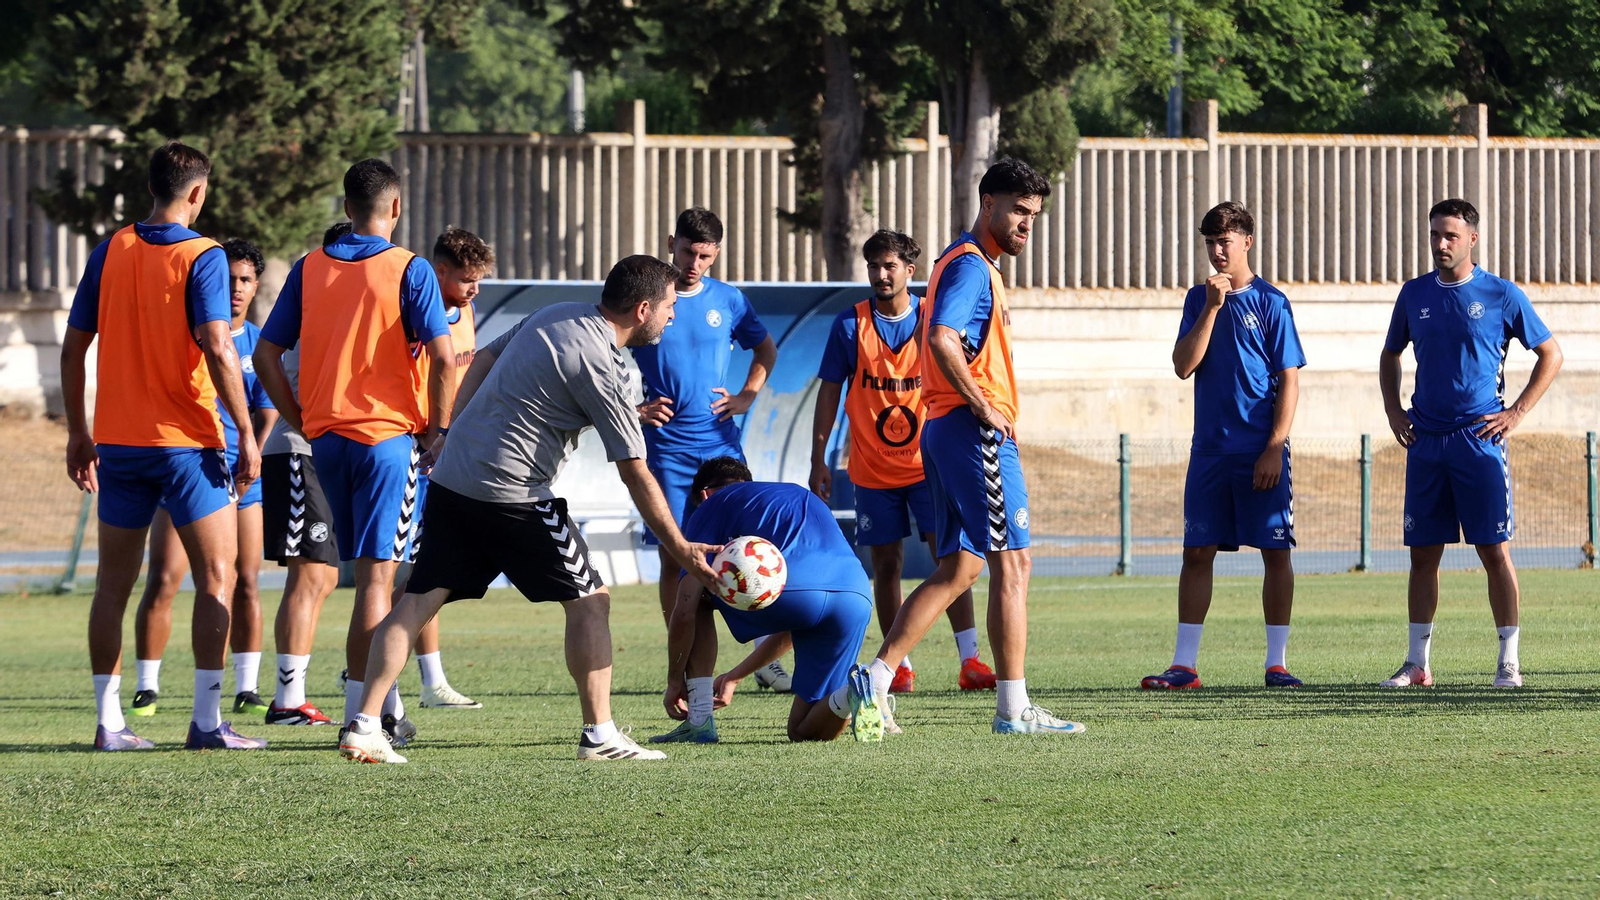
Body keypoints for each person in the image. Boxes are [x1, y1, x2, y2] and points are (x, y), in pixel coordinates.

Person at [337, 255, 720, 764]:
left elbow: (484, 360)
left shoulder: (554, 313)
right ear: (644, 307)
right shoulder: (604, 364)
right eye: (670, 306)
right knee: (591, 601)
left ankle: (363, 724)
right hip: (512, 493)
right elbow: (634, 471)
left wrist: (449, 433)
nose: (673, 315)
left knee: (418, 599)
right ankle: (600, 735)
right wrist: (682, 547)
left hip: (455, 480)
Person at [854, 158, 1085, 736]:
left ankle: (875, 678)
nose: (1027, 224)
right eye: (1018, 211)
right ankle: (1014, 708)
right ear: (988, 204)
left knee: (960, 565)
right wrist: (984, 407)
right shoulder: (970, 267)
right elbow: (940, 338)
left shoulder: (971, 264)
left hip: (944, 430)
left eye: (1034, 215)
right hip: (969, 430)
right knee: (1015, 561)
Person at [61, 141, 267, 750]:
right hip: (188, 446)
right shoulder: (204, 255)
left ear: (151, 186)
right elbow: (216, 340)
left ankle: (109, 723)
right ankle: (206, 724)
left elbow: (74, 348)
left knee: (112, 587)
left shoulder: (111, 249)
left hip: (119, 445)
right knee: (216, 579)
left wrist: (79, 433)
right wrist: (248, 433)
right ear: (198, 193)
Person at [256, 159, 457, 743]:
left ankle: (376, 710)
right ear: (395, 208)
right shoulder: (409, 269)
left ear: (346, 209)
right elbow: (444, 359)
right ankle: (362, 716)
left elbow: (267, 355)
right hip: (385, 441)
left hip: (327, 443)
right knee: (378, 583)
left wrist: (303, 420)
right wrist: (437, 431)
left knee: (355, 581)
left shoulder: (308, 267)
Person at [1377, 198, 1563, 689]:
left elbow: (1551, 353)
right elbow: (1390, 354)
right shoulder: (1414, 293)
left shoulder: (1501, 294)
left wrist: (1516, 412)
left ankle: (1508, 662)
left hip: (1479, 441)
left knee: (1493, 551)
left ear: (1472, 239)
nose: (1440, 243)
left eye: (1450, 236)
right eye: (1435, 234)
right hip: (1426, 441)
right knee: (1422, 555)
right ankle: (1417, 664)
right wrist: (1395, 410)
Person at [809, 229, 995, 694]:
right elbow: (828, 397)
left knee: (949, 558)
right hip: (872, 470)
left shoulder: (936, 320)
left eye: (889, 265)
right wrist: (819, 459)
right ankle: (900, 665)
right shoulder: (850, 326)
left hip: (929, 464)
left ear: (910, 271)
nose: (880, 274)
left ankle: (970, 659)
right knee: (886, 564)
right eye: (873, 266)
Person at [1142, 202, 1307, 690]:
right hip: (1210, 452)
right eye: (1211, 242)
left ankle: (1277, 664)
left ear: (1247, 242)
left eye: (1226, 241)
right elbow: (1183, 365)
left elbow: (1289, 379)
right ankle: (1184, 665)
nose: (1217, 251)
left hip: (1259, 449)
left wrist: (1275, 445)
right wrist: (1213, 308)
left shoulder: (1272, 302)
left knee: (1275, 554)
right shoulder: (1199, 299)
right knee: (1197, 553)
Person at [335, 225, 496, 709]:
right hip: (415, 449)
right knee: (386, 574)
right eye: (467, 279)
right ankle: (370, 679)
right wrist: (434, 430)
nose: (474, 290)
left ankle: (430, 679)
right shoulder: (409, 309)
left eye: (479, 281)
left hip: (451, 453)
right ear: (439, 270)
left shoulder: (465, 310)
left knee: (431, 567)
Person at [128, 238, 280, 718]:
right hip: (190, 469)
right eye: (228, 279)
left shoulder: (258, 344)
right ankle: (147, 686)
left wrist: (249, 458)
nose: (234, 289)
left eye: (245, 280)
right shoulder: (193, 336)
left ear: (256, 287)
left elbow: (266, 412)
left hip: (244, 476)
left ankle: (247, 687)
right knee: (165, 578)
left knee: (246, 580)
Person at [652, 458, 882, 744]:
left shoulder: (712, 504)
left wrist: (675, 680)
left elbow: (684, 609)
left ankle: (698, 720)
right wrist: (736, 676)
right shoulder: (799, 495)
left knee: (697, 595)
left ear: (703, 494)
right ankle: (851, 694)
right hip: (856, 596)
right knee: (803, 732)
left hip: (794, 593)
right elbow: (796, 620)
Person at [633, 210, 780, 654]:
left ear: (716, 253)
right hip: (666, 450)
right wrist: (632, 408)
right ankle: (680, 648)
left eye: (705, 255)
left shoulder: (729, 300)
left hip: (720, 444)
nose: (694, 263)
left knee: (746, 546)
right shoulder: (649, 299)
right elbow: (605, 354)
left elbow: (765, 348)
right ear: (670, 243)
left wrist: (747, 396)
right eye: (687, 251)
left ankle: (761, 653)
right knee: (674, 554)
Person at [257, 222, 351, 728]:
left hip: (317, 452)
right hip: (299, 451)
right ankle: (286, 700)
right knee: (309, 574)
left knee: (325, 576)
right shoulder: (316, 307)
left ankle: (293, 695)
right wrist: (301, 428)